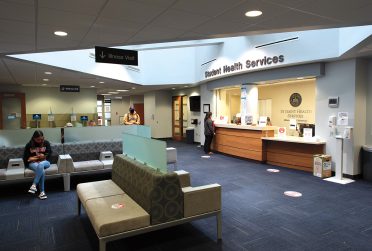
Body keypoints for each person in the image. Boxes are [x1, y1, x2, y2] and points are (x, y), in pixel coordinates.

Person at [23, 130, 52, 200]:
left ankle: (34, 185)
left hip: (45, 162)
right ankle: (42, 192)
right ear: (34, 138)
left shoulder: (46, 143)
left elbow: (49, 155)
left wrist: (41, 157)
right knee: (42, 170)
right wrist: (39, 157)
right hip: (33, 163)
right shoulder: (29, 145)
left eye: (41, 139)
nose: (40, 141)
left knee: (41, 164)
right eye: (38, 139)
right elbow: (28, 159)